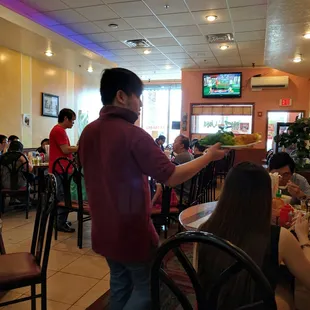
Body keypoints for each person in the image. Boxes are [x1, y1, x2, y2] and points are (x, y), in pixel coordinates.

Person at [78, 68, 225, 310]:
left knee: (119, 283)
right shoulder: (134, 134)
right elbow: (172, 176)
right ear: (122, 96)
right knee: (148, 287)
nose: (141, 103)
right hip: (131, 231)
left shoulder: (88, 132)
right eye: (138, 95)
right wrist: (209, 156)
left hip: (102, 227)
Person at [198, 162, 310, 309]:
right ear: (265, 196)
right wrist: (303, 238)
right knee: (287, 294)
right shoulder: (279, 237)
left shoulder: (204, 230)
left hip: (214, 304)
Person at [49, 108, 78, 233]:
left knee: (63, 195)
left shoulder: (60, 130)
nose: (73, 123)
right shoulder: (59, 131)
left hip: (62, 168)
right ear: (65, 118)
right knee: (62, 196)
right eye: (72, 120)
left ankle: (61, 220)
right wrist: (79, 148)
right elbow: (65, 150)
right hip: (59, 169)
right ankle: (60, 223)